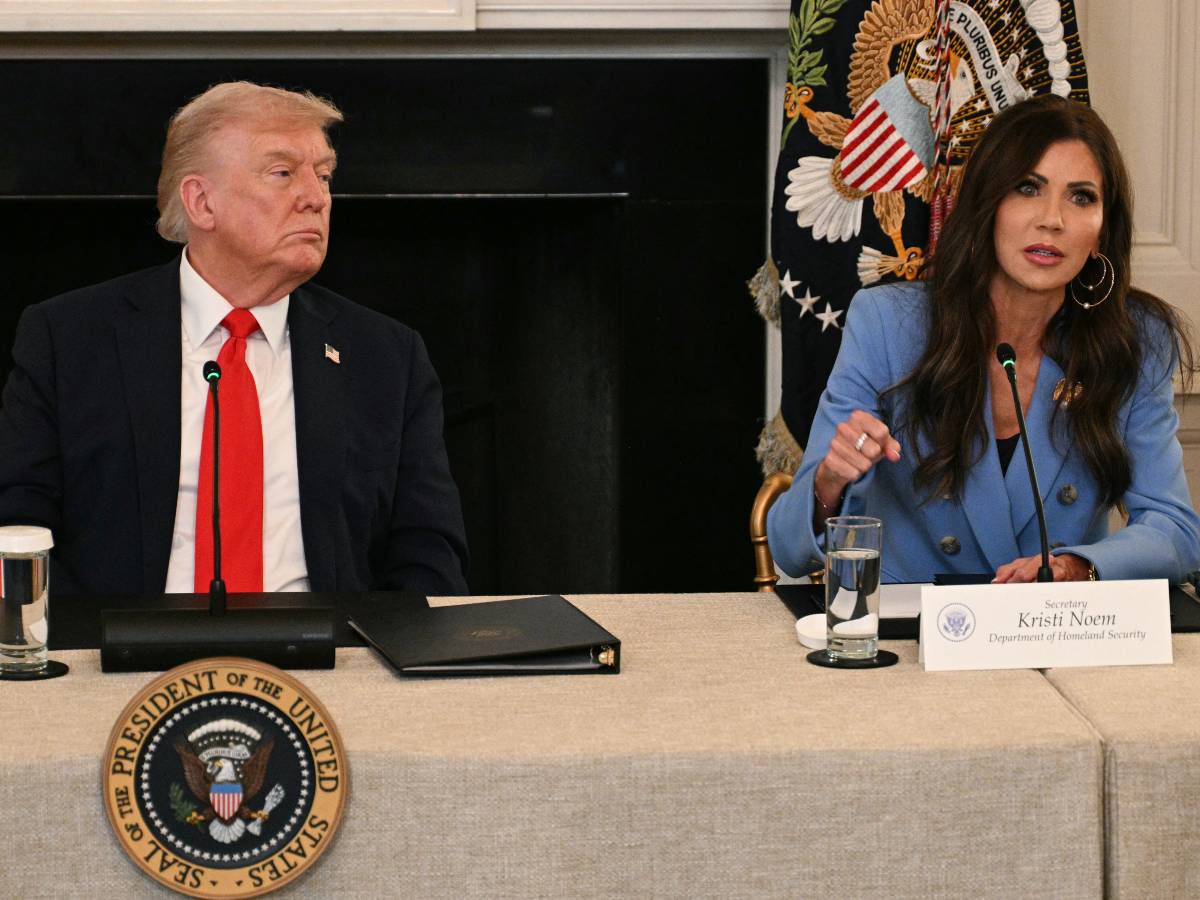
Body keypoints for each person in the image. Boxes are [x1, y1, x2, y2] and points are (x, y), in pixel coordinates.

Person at [0, 81, 469, 596]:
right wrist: (85, 659)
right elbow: (17, 528)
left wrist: (373, 668)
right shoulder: (69, 339)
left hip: (329, 663)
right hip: (123, 662)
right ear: (202, 202)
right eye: (283, 173)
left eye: (325, 176)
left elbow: (428, 551)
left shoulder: (387, 355)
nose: (315, 198)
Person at [768, 93, 1200, 584]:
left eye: (1082, 197)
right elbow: (788, 548)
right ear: (987, 204)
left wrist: (1080, 566)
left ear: (1102, 230)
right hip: (913, 641)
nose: (1052, 219)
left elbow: (1176, 530)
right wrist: (830, 482)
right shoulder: (888, 323)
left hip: (1052, 636)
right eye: (1027, 188)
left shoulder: (1137, 339)